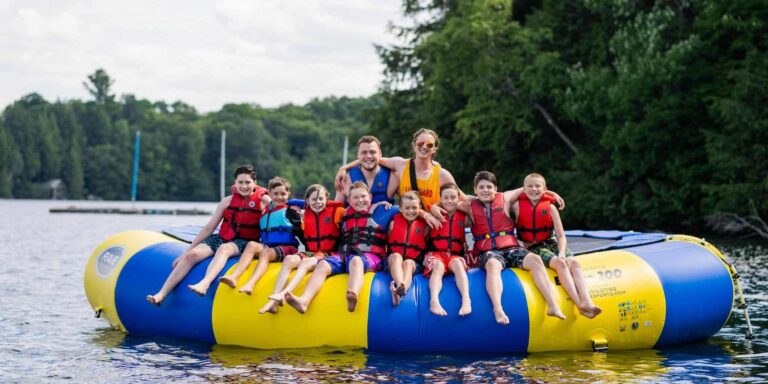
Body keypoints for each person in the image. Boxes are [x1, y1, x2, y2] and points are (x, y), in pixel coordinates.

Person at [147, 164, 270, 305]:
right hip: (223, 237)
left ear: (255, 183)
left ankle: (205, 283)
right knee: (192, 255)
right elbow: (209, 228)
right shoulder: (227, 202)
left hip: (245, 242)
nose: (244, 186)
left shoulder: (264, 200)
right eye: (240, 182)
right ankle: (161, 294)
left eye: (247, 182)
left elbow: (280, 210)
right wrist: (186, 251)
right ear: (235, 183)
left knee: (225, 249)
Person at [456, 171, 565, 325]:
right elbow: (447, 202)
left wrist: (552, 193)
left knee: (535, 259)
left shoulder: (506, 197)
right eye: (481, 187)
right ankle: (498, 308)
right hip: (488, 251)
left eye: (489, 187)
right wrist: (432, 210)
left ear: (496, 188)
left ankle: (552, 304)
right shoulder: (468, 205)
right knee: (493, 265)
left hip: (510, 248)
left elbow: (530, 187)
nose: (485, 190)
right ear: (475, 190)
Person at [285, 181, 398, 313]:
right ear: (349, 200)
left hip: (370, 257)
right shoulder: (344, 213)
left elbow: (408, 208)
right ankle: (304, 300)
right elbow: (321, 205)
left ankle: (353, 294)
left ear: (370, 197)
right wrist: (297, 207)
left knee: (356, 260)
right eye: (355, 198)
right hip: (345, 255)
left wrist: (388, 204)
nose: (360, 200)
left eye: (363, 196)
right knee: (323, 264)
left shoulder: (381, 211)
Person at [512, 173, 602, 319]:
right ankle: (579, 304)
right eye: (529, 186)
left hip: (550, 242)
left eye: (537, 186)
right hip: (533, 247)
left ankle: (587, 301)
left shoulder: (550, 207)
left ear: (544, 189)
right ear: (523, 188)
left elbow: (560, 236)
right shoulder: (517, 206)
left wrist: (561, 251)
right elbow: (501, 196)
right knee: (560, 264)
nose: (533, 189)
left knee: (574, 262)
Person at [336, 128, 464, 228]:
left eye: (429, 145)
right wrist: (344, 168)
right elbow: (336, 211)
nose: (424, 146)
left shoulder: (395, 176)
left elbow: (460, 199)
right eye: (420, 143)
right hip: (353, 235)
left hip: (428, 225)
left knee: (395, 211)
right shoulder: (347, 179)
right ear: (414, 145)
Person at [257, 184, 345, 314]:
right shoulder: (304, 216)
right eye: (314, 199)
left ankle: (284, 293)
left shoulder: (337, 212)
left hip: (329, 253)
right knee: (289, 260)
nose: (318, 202)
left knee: (305, 262)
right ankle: (274, 301)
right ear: (307, 201)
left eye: (321, 199)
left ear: (327, 199)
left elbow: (356, 210)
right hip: (312, 252)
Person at [218, 176, 303, 295]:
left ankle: (250, 284)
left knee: (266, 253)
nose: (279, 197)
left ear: (288, 194)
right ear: (270, 194)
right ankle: (234, 277)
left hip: (287, 248)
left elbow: (303, 234)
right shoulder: (265, 209)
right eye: (276, 193)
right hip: (268, 246)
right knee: (252, 245)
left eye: (283, 194)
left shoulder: (291, 212)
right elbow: (252, 188)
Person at [423, 183, 472, 316]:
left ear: (458, 198)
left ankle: (466, 300)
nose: (449, 201)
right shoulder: (432, 216)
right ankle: (434, 301)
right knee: (438, 266)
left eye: (453, 197)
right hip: (435, 254)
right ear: (440, 199)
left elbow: (475, 210)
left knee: (458, 264)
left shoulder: (464, 216)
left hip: (454, 256)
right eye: (445, 198)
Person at [386, 191, 429, 306]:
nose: (411, 211)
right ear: (400, 208)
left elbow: (429, 245)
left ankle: (399, 292)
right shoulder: (393, 223)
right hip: (393, 259)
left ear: (420, 207)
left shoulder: (425, 227)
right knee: (396, 256)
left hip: (414, 262)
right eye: (407, 208)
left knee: (408, 263)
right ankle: (401, 285)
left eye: (414, 207)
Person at [335, 135, 398, 205]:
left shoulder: (393, 177)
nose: (368, 156)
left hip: (382, 215)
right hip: (355, 215)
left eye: (372, 152)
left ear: (380, 154)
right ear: (358, 155)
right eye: (364, 152)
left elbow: (407, 204)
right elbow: (336, 209)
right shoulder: (346, 179)